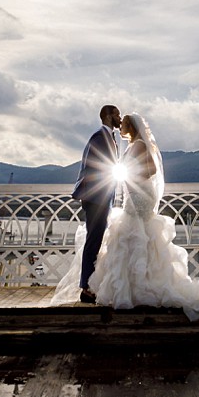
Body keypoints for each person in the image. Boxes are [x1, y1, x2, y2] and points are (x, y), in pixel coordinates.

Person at [52, 112, 199, 320]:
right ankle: (113, 286)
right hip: (119, 196)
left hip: (138, 196)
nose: (120, 122)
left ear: (130, 127)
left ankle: (134, 286)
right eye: (117, 116)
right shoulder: (112, 139)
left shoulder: (138, 144)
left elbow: (150, 169)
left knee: (136, 234)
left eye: (124, 121)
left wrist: (132, 179)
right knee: (128, 236)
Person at [67, 104, 122, 304]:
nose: (120, 118)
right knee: (93, 241)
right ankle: (86, 288)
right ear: (108, 116)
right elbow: (93, 167)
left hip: (101, 197)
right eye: (117, 114)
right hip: (96, 197)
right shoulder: (99, 137)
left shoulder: (109, 137)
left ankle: (91, 284)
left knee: (97, 240)